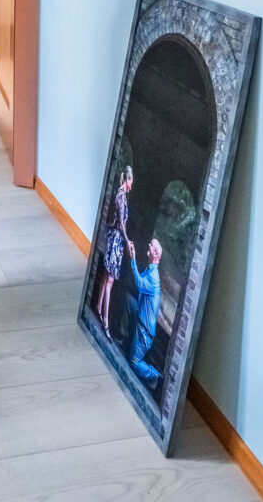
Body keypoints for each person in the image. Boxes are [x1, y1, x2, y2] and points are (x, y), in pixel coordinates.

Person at [96, 164, 133, 339]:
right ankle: (105, 320)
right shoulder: (120, 196)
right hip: (116, 239)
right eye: (131, 180)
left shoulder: (123, 196)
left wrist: (126, 240)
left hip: (118, 239)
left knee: (106, 276)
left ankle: (98, 307)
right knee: (110, 279)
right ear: (127, 179)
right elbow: (121, 225)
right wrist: (127, 242)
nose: (132, 184)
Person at [124, 237, 163, 388]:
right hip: (139, 316)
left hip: (144, 331)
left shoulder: (154, 278)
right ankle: (124, 337)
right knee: (128, 300)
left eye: (151, 245)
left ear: (154, 253)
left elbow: (139, 284)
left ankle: (156, 377)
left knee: (134, 362)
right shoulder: (150, 270)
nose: (148, 244)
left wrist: (132, 258)